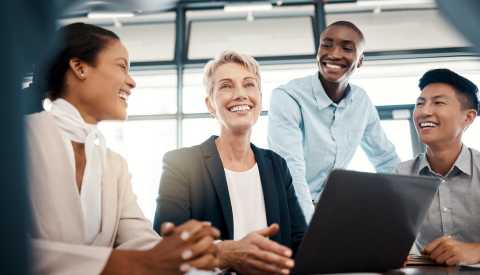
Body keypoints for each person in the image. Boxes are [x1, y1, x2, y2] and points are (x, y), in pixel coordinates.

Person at [26, 22, 220, 275]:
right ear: (79, 67)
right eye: (122, 66)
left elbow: (139, 241)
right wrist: (138, 263)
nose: (132, 82)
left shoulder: (114, 164)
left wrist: (182, 252)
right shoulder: (17, 139)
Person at [154, 50, 307, 275]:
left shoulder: (277, 165)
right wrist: (230, 254)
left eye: (249, 84)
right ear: (210, 104)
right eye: (226, 86)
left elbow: (299, 242)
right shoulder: (182, 164)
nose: (240, 94)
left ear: (260, 99)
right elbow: (166, 245)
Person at [267, 21, 400, 221]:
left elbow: (386, 160)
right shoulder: (288, 96)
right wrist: (308, 230)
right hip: (289, 209)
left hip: (330, 210)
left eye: (347, 48)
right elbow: (291, 169)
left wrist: (411, 208)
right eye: (326, 45)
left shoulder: (361, 101)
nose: (334, 54)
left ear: (360, 60)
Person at [396, 69, 480, 266]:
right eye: (420, 103)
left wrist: (475, 250)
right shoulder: (401, 175)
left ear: (468, 117)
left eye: (438, 102)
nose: (424, 111)